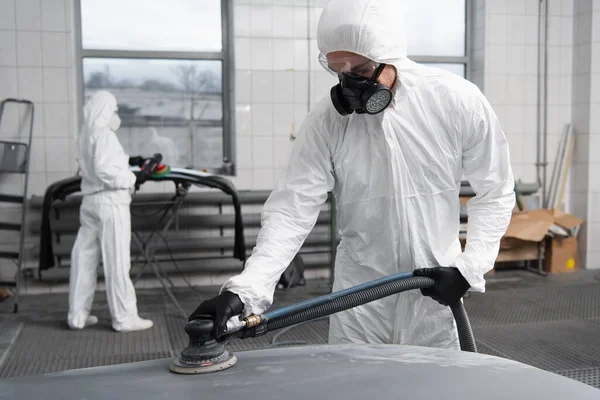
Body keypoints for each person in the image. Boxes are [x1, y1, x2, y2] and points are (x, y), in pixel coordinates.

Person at [189, 0, 515, 349]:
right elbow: (292, 207)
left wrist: (469, 267)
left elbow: (495, 191)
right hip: (358, 300)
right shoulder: (327, 120)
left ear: (391, 56)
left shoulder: (456, 101)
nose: (349, 86)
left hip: (433, 294)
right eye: (339, 72)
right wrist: (247, 290)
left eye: (359, 70)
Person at [68, 90, 156, 332]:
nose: (115, 114)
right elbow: (105, 170)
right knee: (117, 261)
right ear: (105, 109)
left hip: (90, 203)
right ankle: (124, 318)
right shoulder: (104, 134)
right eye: (113, 109)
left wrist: (131, 160)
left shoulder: (85, 134)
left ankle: (77, 316)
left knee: (84, 259)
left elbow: (101, 163)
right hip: (110, 204)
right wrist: (134, 177)